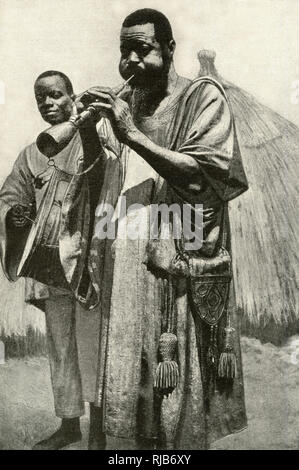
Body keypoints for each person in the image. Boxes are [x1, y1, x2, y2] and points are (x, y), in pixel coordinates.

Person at [67, 8, 249, 449]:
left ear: (169, 50)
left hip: (178, 257)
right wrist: (92, 134)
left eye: (142, 49)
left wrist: (130, 133)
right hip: (125, 258)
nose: (130, 60)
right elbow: (100, 183)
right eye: (123, 51)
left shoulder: (202, 98)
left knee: (175, 375)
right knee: (131, 372)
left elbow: (204, 176)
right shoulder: (124, 106)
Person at [0, 71, 104, 450]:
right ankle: (69, 423)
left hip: (88, 259)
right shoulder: (31, 153)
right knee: (61, 345)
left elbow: (102, 173)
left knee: (93, 341)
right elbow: (10, 195)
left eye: (56, 95)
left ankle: (100, 426)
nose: (47, 103)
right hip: (49, 265)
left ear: (72, 97)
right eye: (40, 97)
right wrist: (15, 215)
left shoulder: (91, 135)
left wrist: (89, 129)